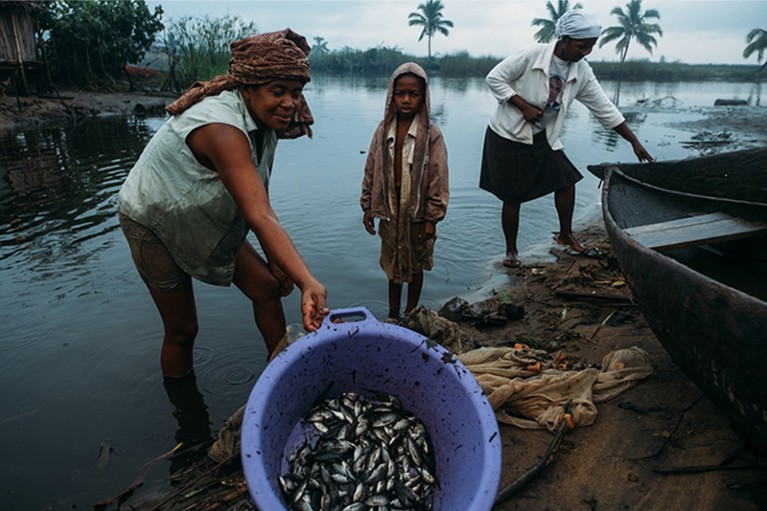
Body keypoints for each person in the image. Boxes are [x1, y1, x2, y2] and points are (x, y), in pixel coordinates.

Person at [118, 28, 328, 378]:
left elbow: (257, 199)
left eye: (296, 92)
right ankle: (186, 417)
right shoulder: (221, 128)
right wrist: (308, 281)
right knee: (183, 330)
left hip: (201, 213)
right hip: (153, 219)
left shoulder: (264, 123)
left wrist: (279, 262)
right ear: (247, 88)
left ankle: (285, 377)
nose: (290, 103)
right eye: (278, 91)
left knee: (266, 287)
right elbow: (259, 213)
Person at [480, 9, 654, 268]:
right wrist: (522, 106)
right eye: (581, 46)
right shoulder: (532, 55)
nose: (586, 52)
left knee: (567, 179)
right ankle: (511, 252)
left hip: (544, 136)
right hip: (507, 135)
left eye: (591, 47)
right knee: (512, 196)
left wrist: (633, 141)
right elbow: (494, 78)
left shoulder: (581, 71)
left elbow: (604, 108)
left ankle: (565, 234)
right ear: (564, 39)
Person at [361, 62, 449, 320]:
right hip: (389, 209)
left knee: (415, 263)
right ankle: (392, 312)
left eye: (413, 94)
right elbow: (371, 167)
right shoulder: (382, 129)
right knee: (392, 264)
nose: (406, 99)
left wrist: (432, 218)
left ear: (423, 97)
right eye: (400, 93)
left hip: (417, 212)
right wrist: (367, 205)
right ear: (392, 95)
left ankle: (411, 312)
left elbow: (438, 176)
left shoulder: (431, 134)